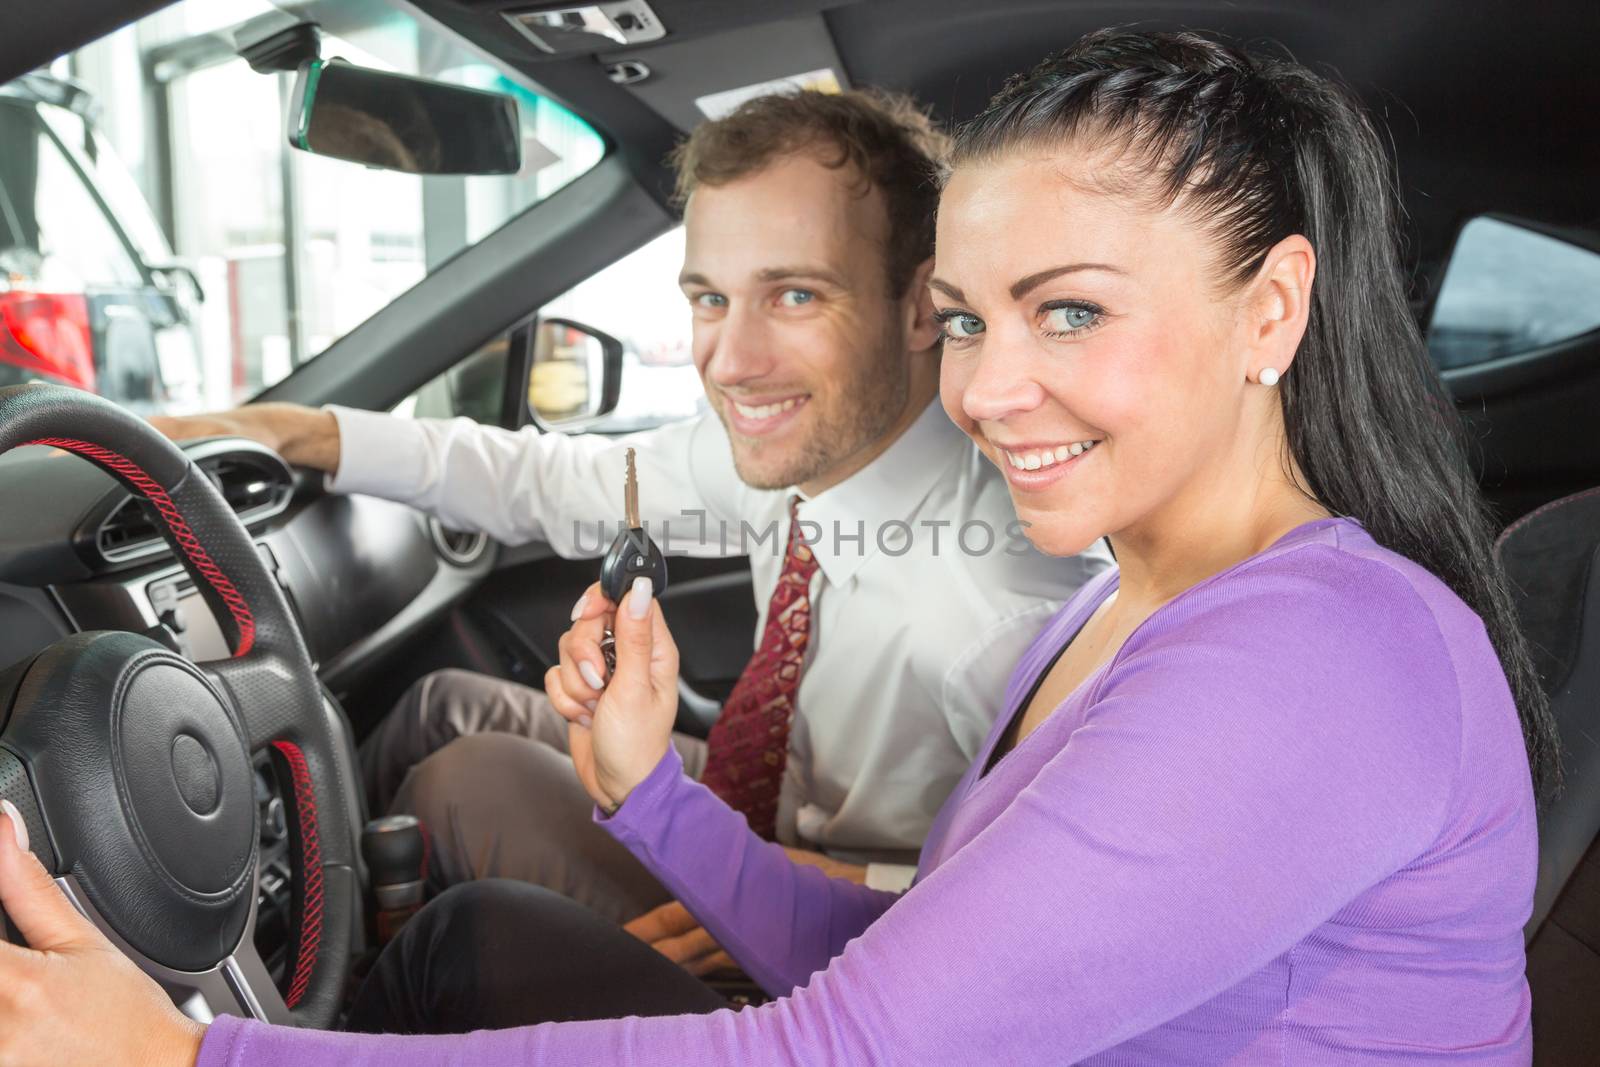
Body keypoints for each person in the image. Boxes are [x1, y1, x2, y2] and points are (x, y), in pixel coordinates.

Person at [0, 28, 1558, 1064]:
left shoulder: (1315, 657)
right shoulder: (1134, 601)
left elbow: (839, 1047)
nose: (990, 388)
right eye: (967, 320)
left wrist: (194, 1050)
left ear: (1270, 312)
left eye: (1070, 310)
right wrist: (658, 800)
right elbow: (915, 956)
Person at [153, 89, 1109, 964]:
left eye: (796, 294)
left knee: (463, 782)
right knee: (445, 702)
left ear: (919, 308)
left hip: (830, 931)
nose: (732, 362)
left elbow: (1058, 917)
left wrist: (819, 897)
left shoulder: (995, 610)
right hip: (766, 804)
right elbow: (556, 479)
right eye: (708, 299)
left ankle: (325, 984)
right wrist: (301, 430)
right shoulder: (812, 451)